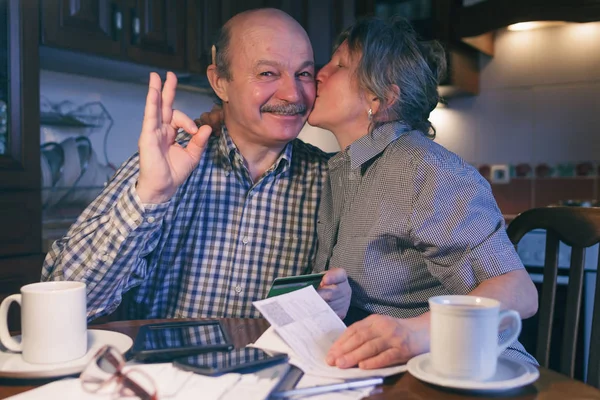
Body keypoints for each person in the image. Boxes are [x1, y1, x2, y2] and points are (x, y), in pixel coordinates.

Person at [42, 8, 351, 321]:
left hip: (278, 369)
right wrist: (149, 196)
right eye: (267, 73)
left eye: (303, 74)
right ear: (220, 83)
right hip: (158, 368)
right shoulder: (164, 165)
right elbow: (60, 308)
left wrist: (336, 303)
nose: (292, 93)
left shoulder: (334, 180)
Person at [303, 17, 539, 369]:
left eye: (340, 65)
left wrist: (417, 333)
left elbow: (519, 291)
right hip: (378, 373)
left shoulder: (425, 168)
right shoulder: (341, 172)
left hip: (465, 371)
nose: (319, 73)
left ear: (380, 98)